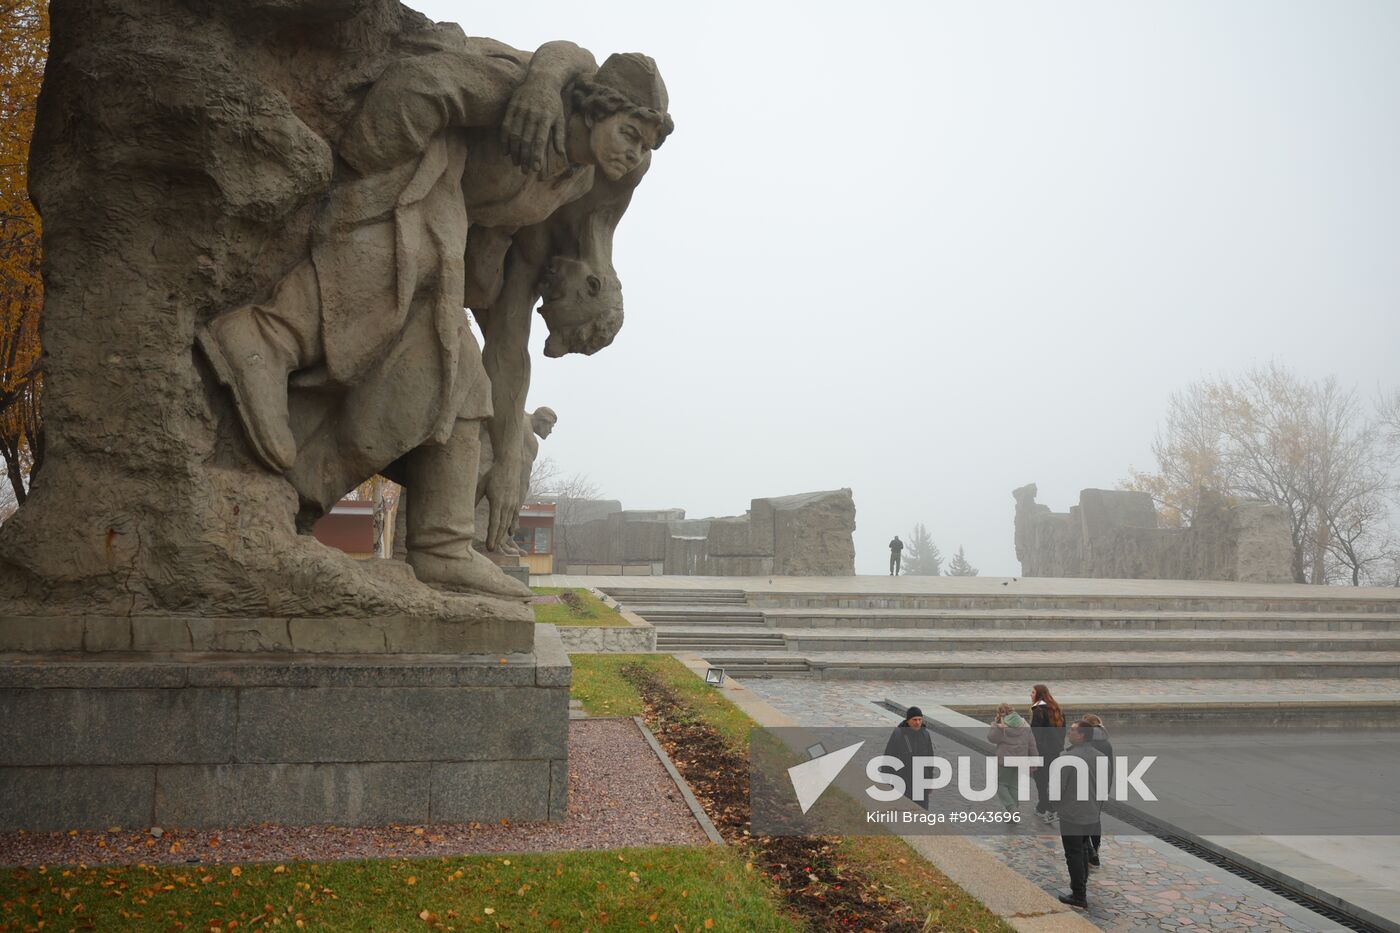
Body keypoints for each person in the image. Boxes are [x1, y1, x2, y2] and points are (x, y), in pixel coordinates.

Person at [197, 35, 671, 597]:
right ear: (594, 107)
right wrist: (375, 169)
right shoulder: (523, 99)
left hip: (445, 233)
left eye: (645, 147)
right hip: (399, 185)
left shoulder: (573, 180)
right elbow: (420, 86)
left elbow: (509, 331)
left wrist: (512, 454)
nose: (634, 155)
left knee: (465, 385)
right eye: (629, 134)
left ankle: (435, 543)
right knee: (416, 258)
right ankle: (263, 336)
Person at [1056, 721, 1106, 909]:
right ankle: (1081, 886)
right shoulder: (1100, 756)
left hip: (1072, 814)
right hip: (1092, 812)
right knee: (1084, 848)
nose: (1069, 732)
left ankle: (1079, 894)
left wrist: (1058, 806)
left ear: (1082, 735)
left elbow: (1057, 788)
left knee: (1074, 852)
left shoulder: (1068, 757)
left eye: (1073, 730)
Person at [986, 703, 1035, 813]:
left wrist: (995, 724)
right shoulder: (1024, 723)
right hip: (1020, 759)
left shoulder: (1001, 725)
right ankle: (1014, 811)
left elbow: (991, 738)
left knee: (1001, 784)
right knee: (1013, 785)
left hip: (1006, 758)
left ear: (1000, 713)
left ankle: (1011, 808)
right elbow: (1032, 744)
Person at [883, 706, 935, 808]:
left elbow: (930, 759)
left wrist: (929, 781)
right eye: (914, 720)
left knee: (922, 813)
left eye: (920, 719)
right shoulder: (898, 734)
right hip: (902, 782)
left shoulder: (925, 734)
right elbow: (889, 757)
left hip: (921, 782)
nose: (917, 723)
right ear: (908, 720)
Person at [1081, 713, 1115, 866]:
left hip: (1086, 785)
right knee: (1095, 818)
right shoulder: (1106, 743)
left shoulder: (1086, 743)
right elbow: (1110, 768)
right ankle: (1095, 848)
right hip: (1101, 786)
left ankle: (1090, 850)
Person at [1029, 684, 1066, 823]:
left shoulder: (1038, 710)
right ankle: (1041, 807)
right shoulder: (1056, 708)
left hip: (1041, 751)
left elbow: (1035, 734)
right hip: (1054, 750)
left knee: (1040, 779)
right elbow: (1062, 731)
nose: (1030, 694)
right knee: (1047, 779)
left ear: (1039, 695)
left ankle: (1050, 808)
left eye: (1033, 692)